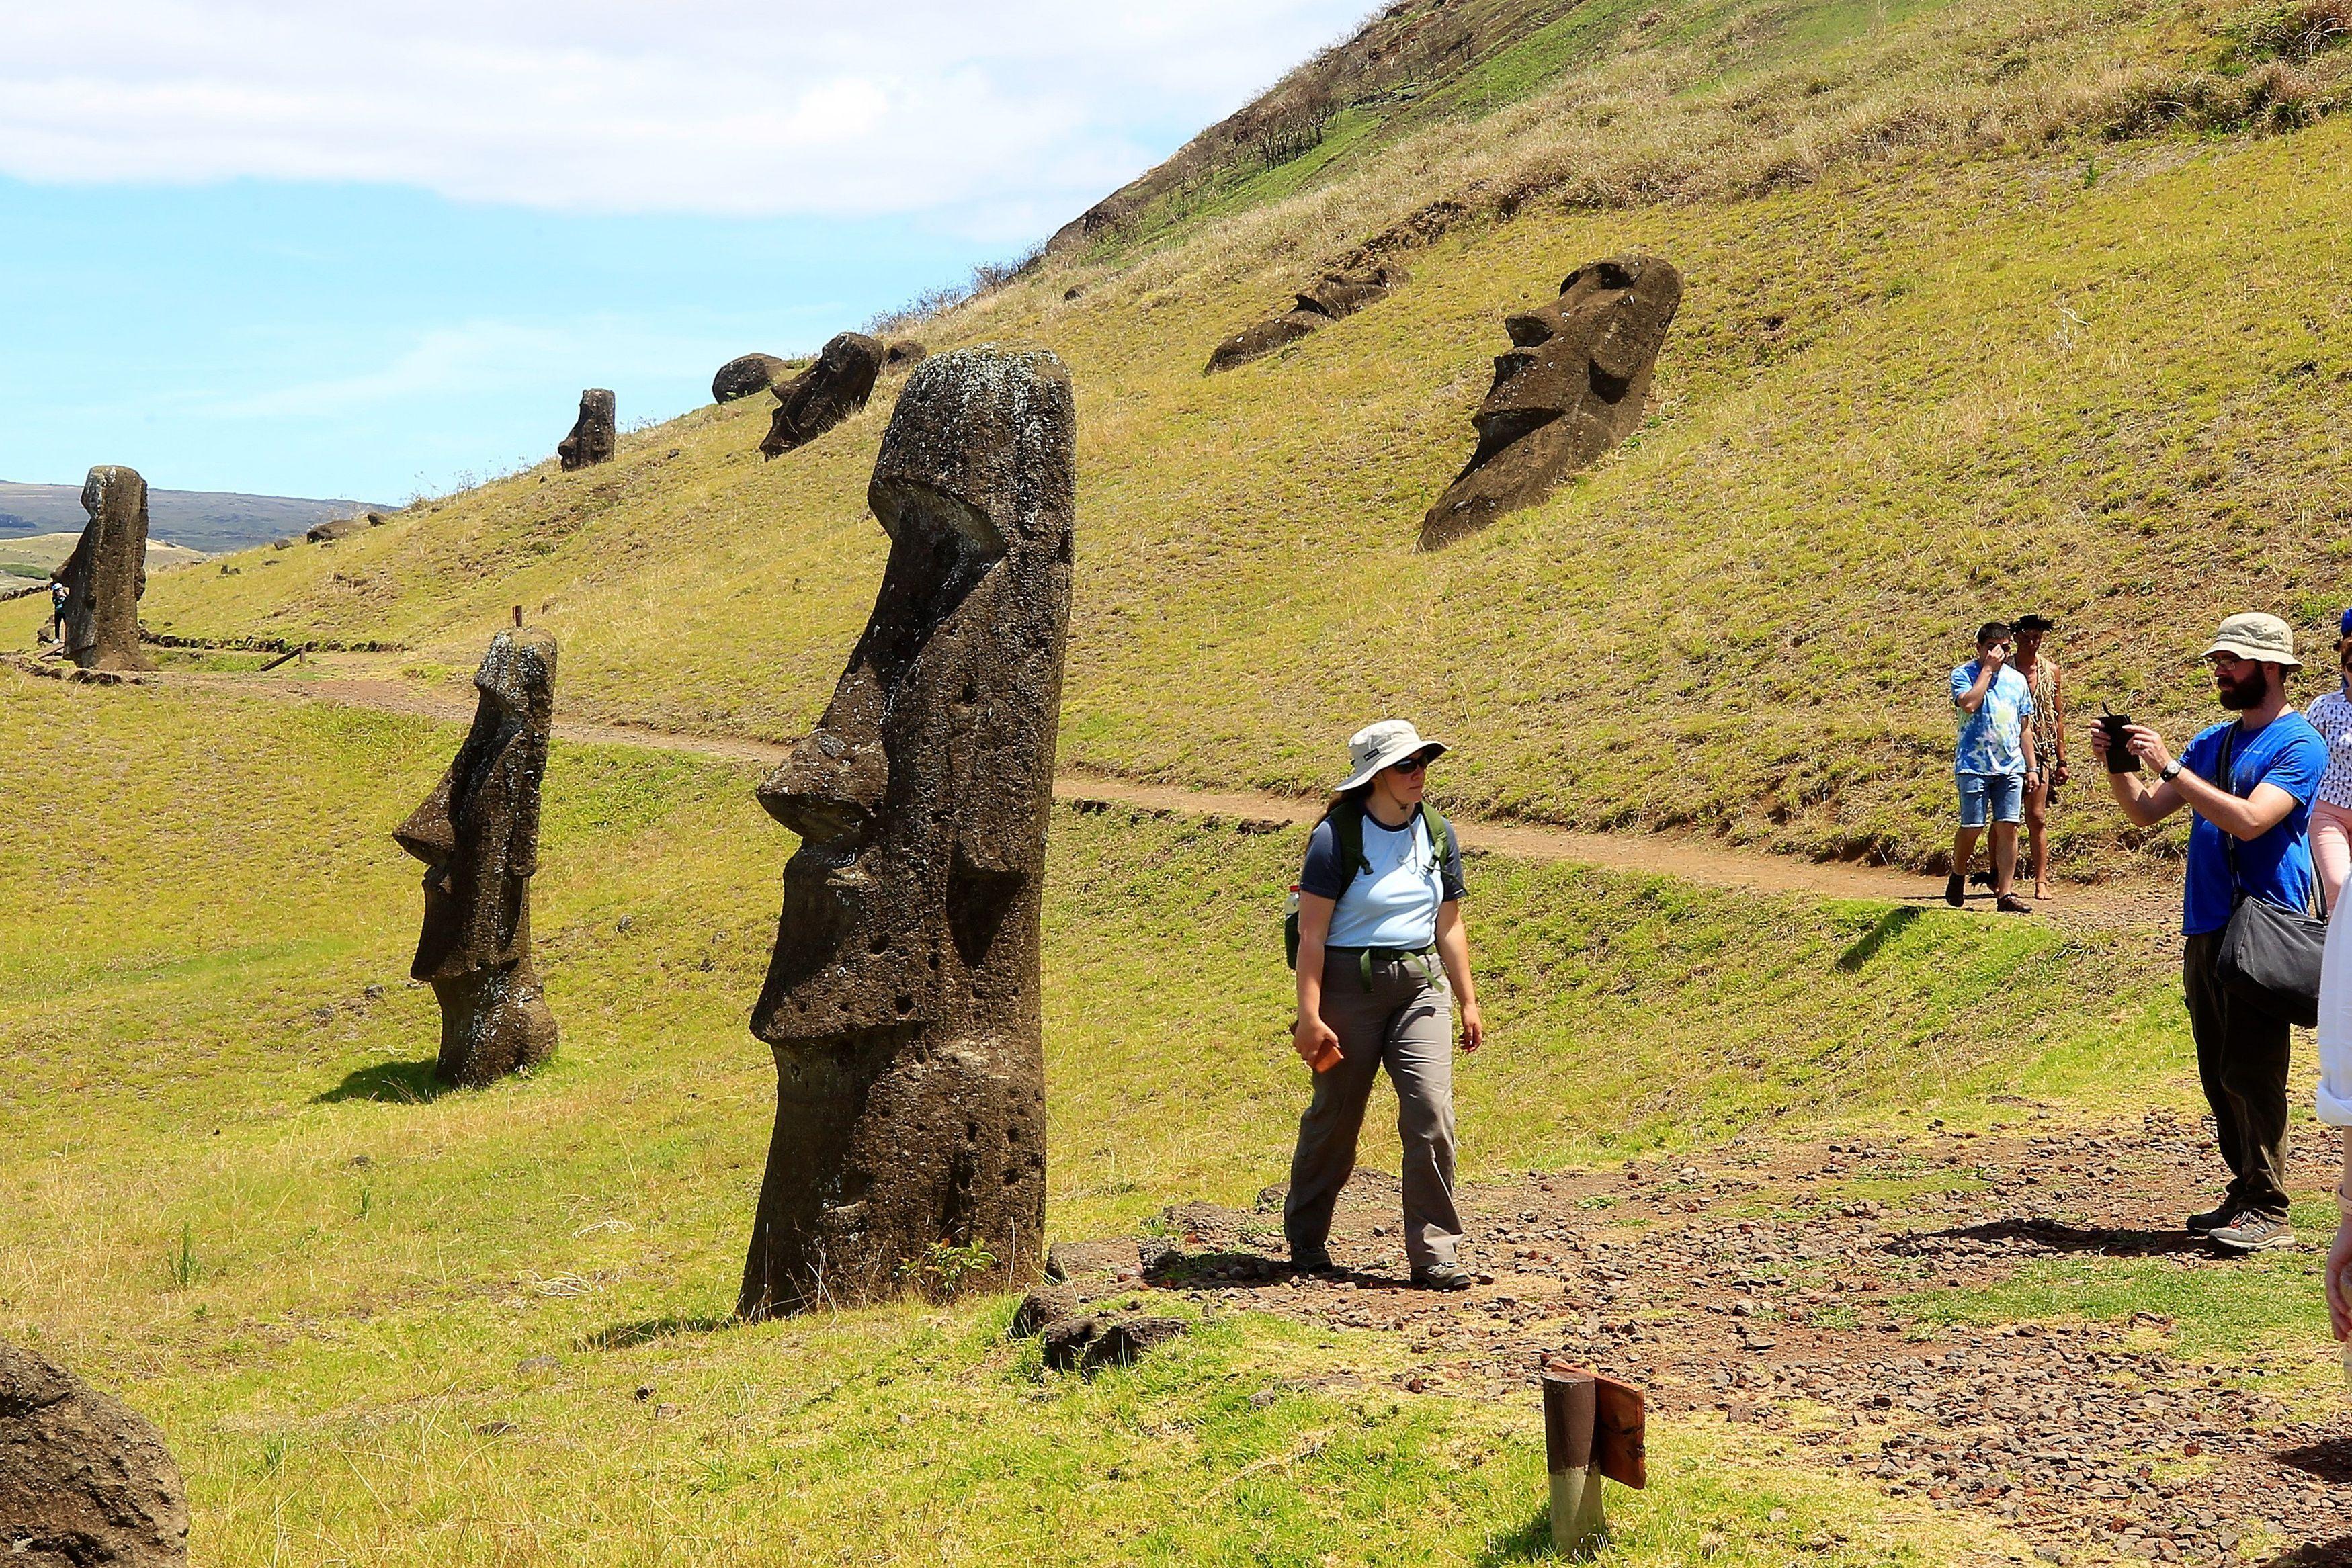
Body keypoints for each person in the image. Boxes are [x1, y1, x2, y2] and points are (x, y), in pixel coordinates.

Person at [2092, 612, 2326, 1253]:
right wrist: (2120, 764)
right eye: (2218, 660)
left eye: (2235, 660)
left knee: (2253, 1068)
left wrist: (2171, 768)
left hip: (2266, 925)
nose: (2221, 669)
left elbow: (2253, 821)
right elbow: (2143, 813)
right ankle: (2245, 1186)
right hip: (2207, 925)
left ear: (2273, 668)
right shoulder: (2212, 742)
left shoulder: (2299, 744)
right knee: (2218, 1067)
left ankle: (2269, 1207)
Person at [1286, 719, 1484, 1291]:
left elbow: (1449, 922)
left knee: (1430, 1112)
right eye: (1406, 765)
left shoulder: (1438, 831)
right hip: (1349, 984)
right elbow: (1313, 936)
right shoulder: (1336, 838)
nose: (1418, 773)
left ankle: (1435, 1253)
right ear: (1375, 776)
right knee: (1337, 1117)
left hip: (1421, 985)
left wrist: (1468, 1000)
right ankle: (1306, 1238)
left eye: (1423, 761)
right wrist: (1311, 1015)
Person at [1947, 621, 2039, 914]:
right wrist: (1987, 670)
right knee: (1973, 825)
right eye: (1991, 647)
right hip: (1973, 765)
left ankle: (2005, 893)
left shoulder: (2017, 681)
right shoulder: (1964, 674)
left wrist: (2031, 767)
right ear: (1980, 648)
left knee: (2008, 827)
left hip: (2010, 766)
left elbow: (2025, 728)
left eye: (2004, 648)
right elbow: (1969, 705)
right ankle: (1958, 873)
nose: (1998, 653)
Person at [2013, 613, 2068, 901]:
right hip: (2009, 749)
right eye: (2027, 638)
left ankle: (2041, 880)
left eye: (2037, 638)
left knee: (2036, 816)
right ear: (2016, 638)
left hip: (2042, 749)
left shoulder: (2051, 671)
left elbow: (2057, 716)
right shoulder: (2004, 670)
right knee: (2005, 818)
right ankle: (2000, 878)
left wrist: (2062, 759)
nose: (2032, 643)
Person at [2302, 608, 2352, 914]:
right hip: (2329, 811)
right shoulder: (2325, 707)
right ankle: (2340, 961)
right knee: (2339, 885)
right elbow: (2306, 758)